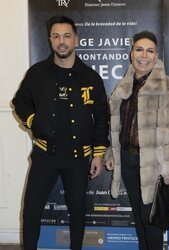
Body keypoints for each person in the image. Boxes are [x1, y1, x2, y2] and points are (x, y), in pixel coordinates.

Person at [12, 15, 109, 250]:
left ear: (76, 39)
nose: (61, 41)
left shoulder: (91, 78)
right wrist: (34, 121)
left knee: (77, 210)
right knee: (31, 209)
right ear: (50, 40)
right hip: (45, 155)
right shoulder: (37, 73)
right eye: (56, 36)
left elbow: (102, 118)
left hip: (77, 158)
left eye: (67, 36)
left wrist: (98, 153)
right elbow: (20, 102)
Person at [105, 31, 169, 250]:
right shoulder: (124, 86)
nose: (144, 55)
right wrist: (111, 153)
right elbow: (116, 125)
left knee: (151, 221)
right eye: (139, 49)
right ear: (131, 53)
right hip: (128, 160)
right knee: (140, 218)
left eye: (150, 51)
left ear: (156, 55)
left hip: (155, 164)